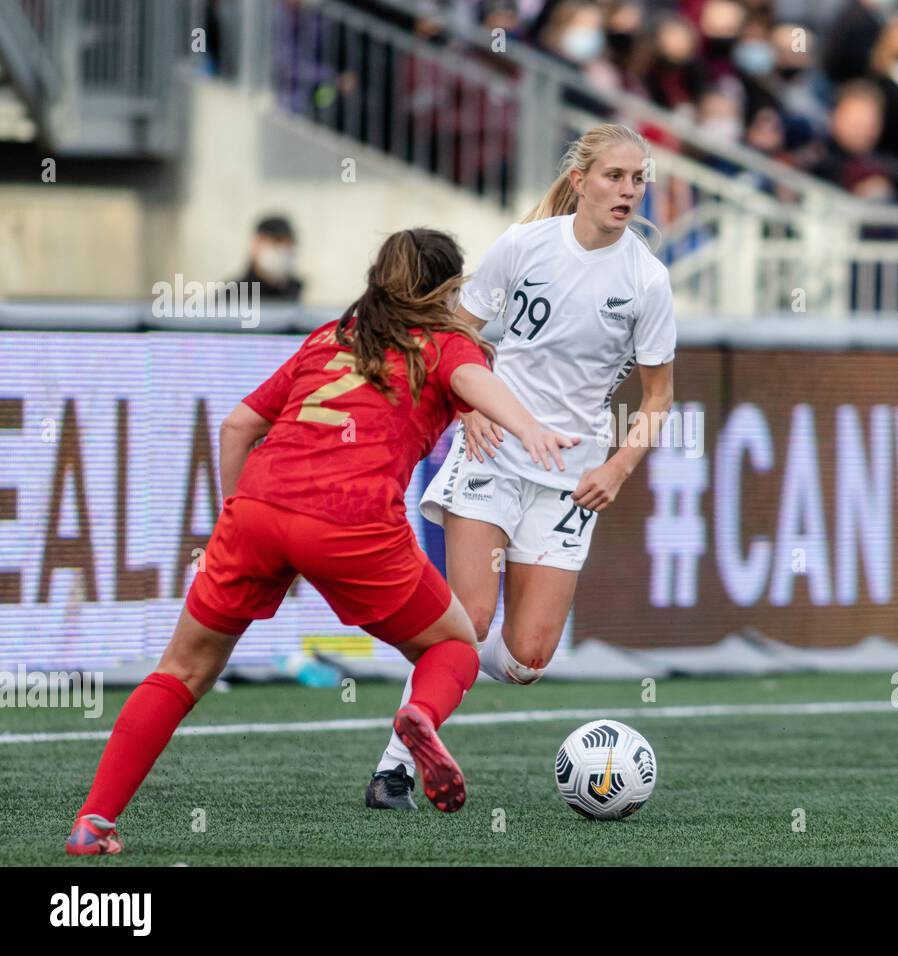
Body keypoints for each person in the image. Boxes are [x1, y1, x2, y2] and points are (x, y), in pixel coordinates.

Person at [66, 229, 577, 855]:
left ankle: (94, 819)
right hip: (351, 521)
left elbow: (237, 426)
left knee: (180, 672)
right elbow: (475, 382)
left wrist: (232, 517)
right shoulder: (445, 345)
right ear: (447, 291)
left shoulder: (329, 337)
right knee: (454, 644)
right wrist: (531, 427)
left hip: (258, 510)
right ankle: (418, 717)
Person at [365, 123, 677, 810]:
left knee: (528, 659)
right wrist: (470, 408)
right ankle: (395, 767)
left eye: (638, 179)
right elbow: (459, 337)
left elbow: (658, 399)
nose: (628, 190)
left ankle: (428, 700)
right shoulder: (523, 246)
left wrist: (620, 467)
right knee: (467, 622)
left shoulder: (647, 282)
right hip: (495, 456)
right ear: (580, 179)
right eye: (615, 176)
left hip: (571, 478)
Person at [234, 215, 304, 302]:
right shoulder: (234, 293)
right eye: (277, 241)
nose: (284, 249)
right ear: (256, 244)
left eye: (289, 244)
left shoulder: (296, 291)